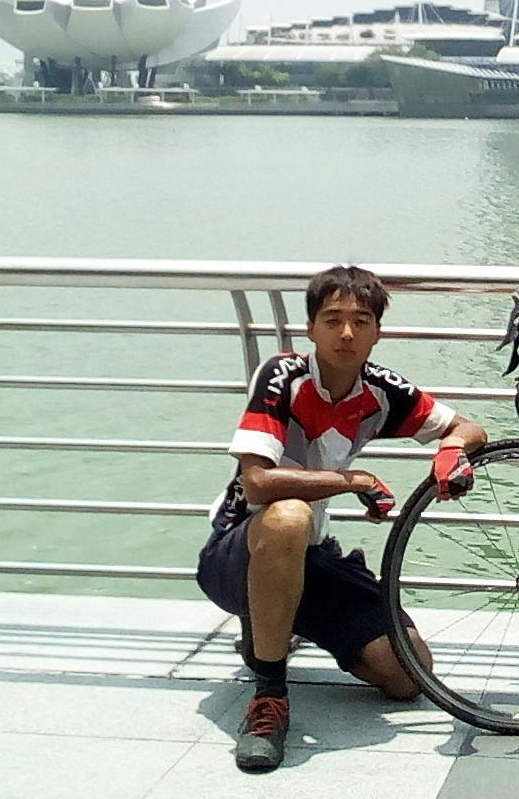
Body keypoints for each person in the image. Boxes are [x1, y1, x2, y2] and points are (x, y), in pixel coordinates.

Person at [196, 265, 487, 773]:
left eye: (361, 321)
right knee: (288, 517)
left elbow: (468, 426)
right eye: (332, 320)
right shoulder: (283, 376)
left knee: (408, 674)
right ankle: (269, 696)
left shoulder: (380, 391)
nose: (347, 333)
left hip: (311, 554)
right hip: (237, 550)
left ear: (378, 333)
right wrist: (352, 481)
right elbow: (257, 482)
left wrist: (452, 450)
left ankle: (277, 620)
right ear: (311, 329)